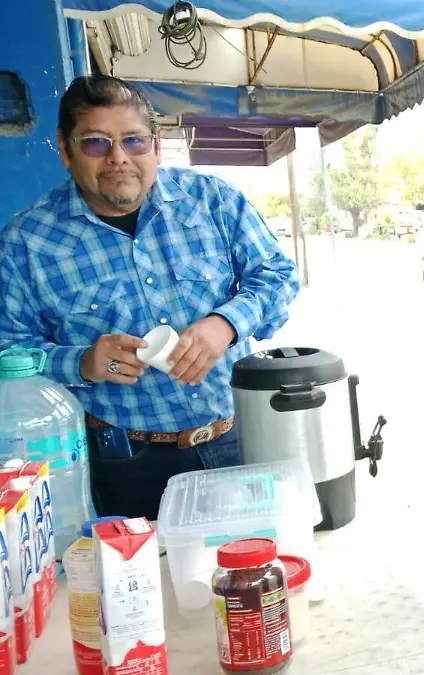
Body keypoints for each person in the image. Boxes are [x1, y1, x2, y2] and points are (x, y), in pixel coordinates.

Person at [0, 75, 300, 520]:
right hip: (123, 462)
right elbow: (9, 349)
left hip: (237, 437)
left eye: (134, 141)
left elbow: (277, 275)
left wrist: (227, 323)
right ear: (65, 150)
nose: (119, 158)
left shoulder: (213, 201)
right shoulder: (27, 242)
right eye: (96, 143)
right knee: (140, 585)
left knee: (248, 571)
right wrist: (81, 361)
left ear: (156, 145)